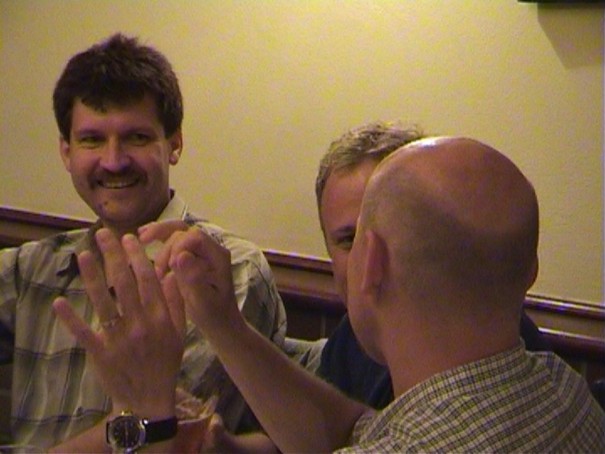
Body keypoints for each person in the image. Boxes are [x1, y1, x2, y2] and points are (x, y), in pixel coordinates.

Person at [55, 136, 604, 452]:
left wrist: (145, 414)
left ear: (372, 263)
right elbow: (356, 429)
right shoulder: (561, 389)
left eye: (354, 238)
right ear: (530, 270)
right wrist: (223, 323)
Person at [0, 33, 286, 451]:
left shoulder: (228, 270)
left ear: (174, 144)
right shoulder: (29, 268)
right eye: (92, 139)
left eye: (136, 137)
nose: (113, 161)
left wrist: (138, 418)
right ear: (66, 152)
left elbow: (157, 426)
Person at [310, 122, 550, 408]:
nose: (363, 264)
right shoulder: (349, 340)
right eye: (349, 240)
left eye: (388, 231)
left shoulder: (507, 347)